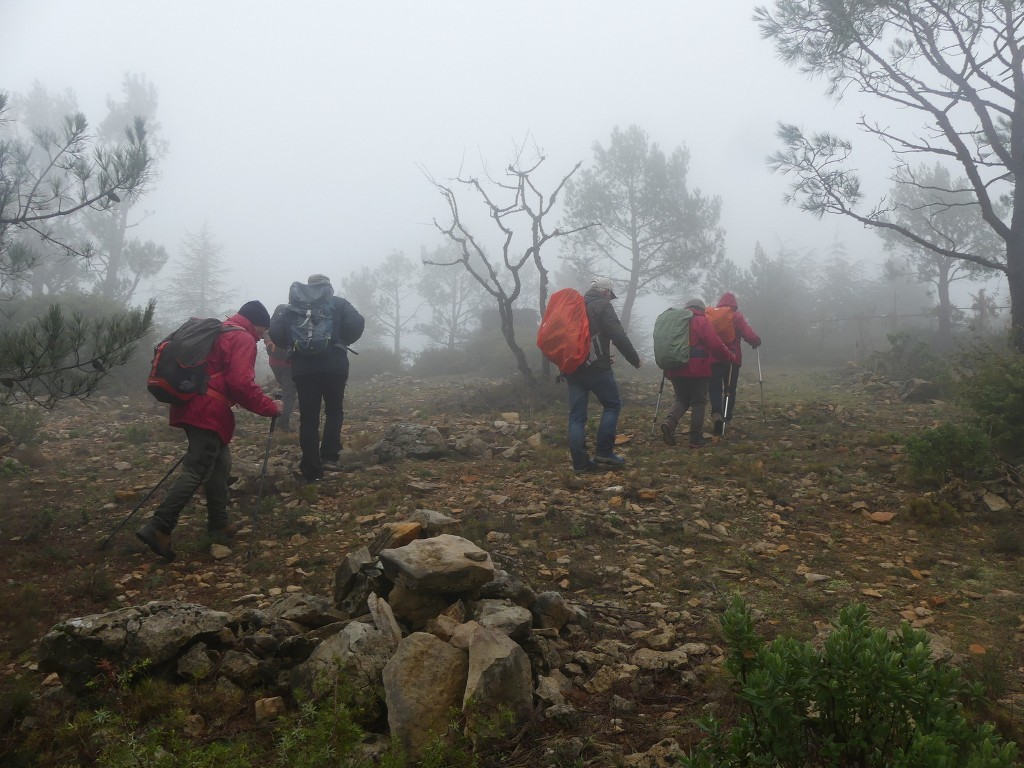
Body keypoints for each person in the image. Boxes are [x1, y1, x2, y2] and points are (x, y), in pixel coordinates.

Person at [136, 301, 282, 561]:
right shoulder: (242, 338)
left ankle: (219, 524)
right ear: (257, 323)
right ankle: (159, 526)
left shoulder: (220, 331)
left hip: (192, 404)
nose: (262, 337)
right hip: (208, 410)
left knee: (220, 461)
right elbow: (240, 383)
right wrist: (271, 407)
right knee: (197, 468)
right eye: (263, 330)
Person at [270, 274, 364, 483]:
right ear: (328, 287)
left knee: (309, 418)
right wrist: (341, 340)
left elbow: (275, 331)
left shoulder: (292, 307)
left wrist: (293, 346)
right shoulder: (338, 304)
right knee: (333, 410)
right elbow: (358, 322)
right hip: (335, 366)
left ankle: (311, 468)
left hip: (304, 369)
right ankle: (330, 456)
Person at [567, 277, 642, 473]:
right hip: (596, 368)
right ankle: (604, 452)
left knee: (576, 417)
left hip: (572, 367)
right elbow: (617, 334)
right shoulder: (603, 306)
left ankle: (580, 464)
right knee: (612, 404)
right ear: (605, 292)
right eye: (610, 294)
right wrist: (634, 359)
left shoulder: (575, 306)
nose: (610, 298)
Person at [660, 298, 738, 449]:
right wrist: (730, 357)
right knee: (698, 402)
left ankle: (669, 423)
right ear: (701, 309)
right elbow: (714, 344)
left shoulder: (677, 322)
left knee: (681, 398)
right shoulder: (701, 321)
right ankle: (695, 438)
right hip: (697, 368)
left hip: (674, 367)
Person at [708, 292, 761, 436]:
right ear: (734, 304)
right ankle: (727, 418)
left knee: (714, 388)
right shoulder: (736, 316)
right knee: (730, 389)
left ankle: (717, 413)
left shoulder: (712, 317)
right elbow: (748, 333)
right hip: (732, 358)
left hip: (713, 358)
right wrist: (756, 341)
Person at [264, 304, 298, 432]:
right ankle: (282, 423)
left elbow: (266, 333)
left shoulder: (274, 320)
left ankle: (280, 416)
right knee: (289, 394)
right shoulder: (293, 319)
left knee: (285, 389)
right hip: (289, 363)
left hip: (274, 363)